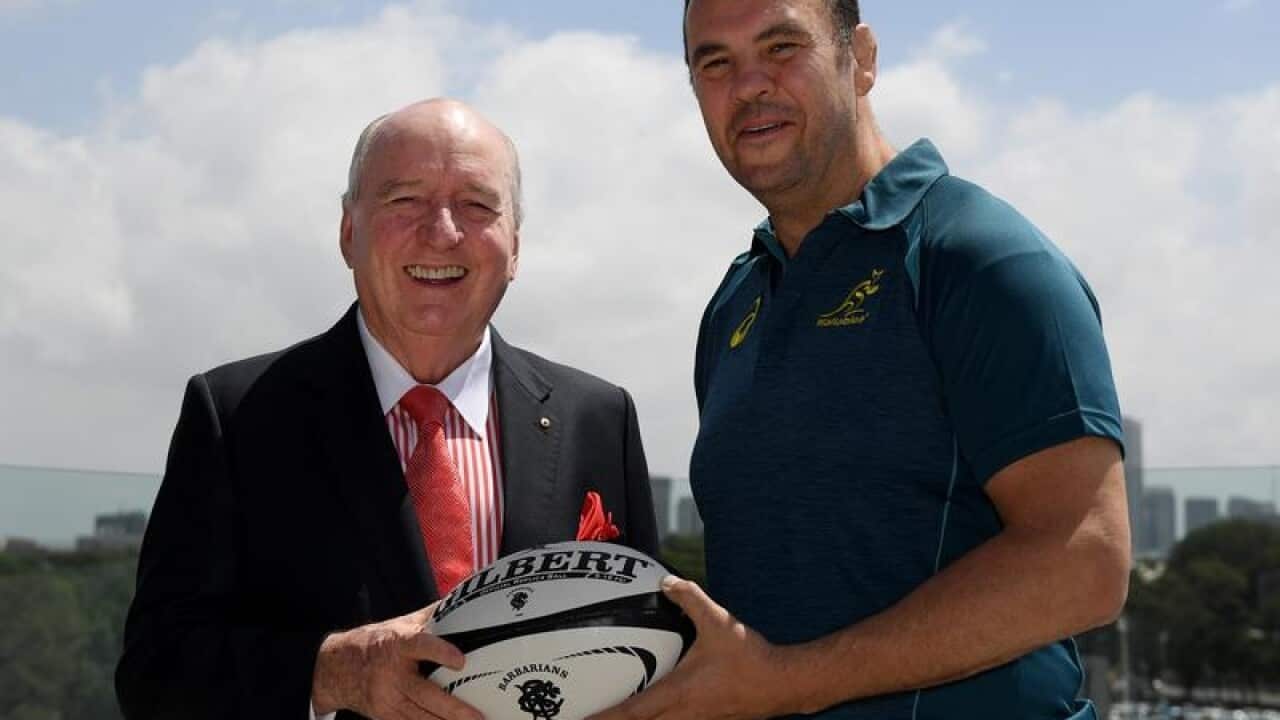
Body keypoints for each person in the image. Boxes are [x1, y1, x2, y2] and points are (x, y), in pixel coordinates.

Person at [590, 1, 1130, 719]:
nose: (749, 84)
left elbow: (1084, 563)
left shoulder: (983, 260)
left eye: (782, 46)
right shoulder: (734, 303)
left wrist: (783, 680)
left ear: (862, 58)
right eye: (715, 62)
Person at [116, 98, 659, 720]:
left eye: (478, 205)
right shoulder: (238, 417)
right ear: (349, 232)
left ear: (514, 247)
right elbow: (155, 672)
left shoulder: (599, 417)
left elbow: (651, 642)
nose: (443, 231)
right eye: (405, 201)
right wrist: (334, 672)